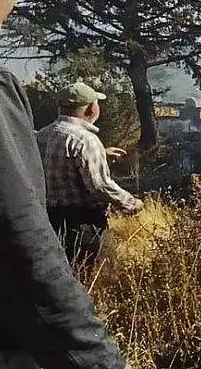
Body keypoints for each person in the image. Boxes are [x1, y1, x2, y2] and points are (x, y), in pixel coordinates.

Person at [0, 0, 142, 369]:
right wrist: (91, 358)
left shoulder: (46, 134)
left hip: (58, 224)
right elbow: (16, 224)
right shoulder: (81, 137)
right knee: (102, 280)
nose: (15, 1)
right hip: (79, 230)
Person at [37, 81, 143, 272]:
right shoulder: (86, 140)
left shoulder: (43, 135)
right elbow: (100, 186)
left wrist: (101, 153)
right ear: (91, 109)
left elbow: (60, 160)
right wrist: (131, 203)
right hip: (85, 227)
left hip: (50, 223)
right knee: (99, 280)